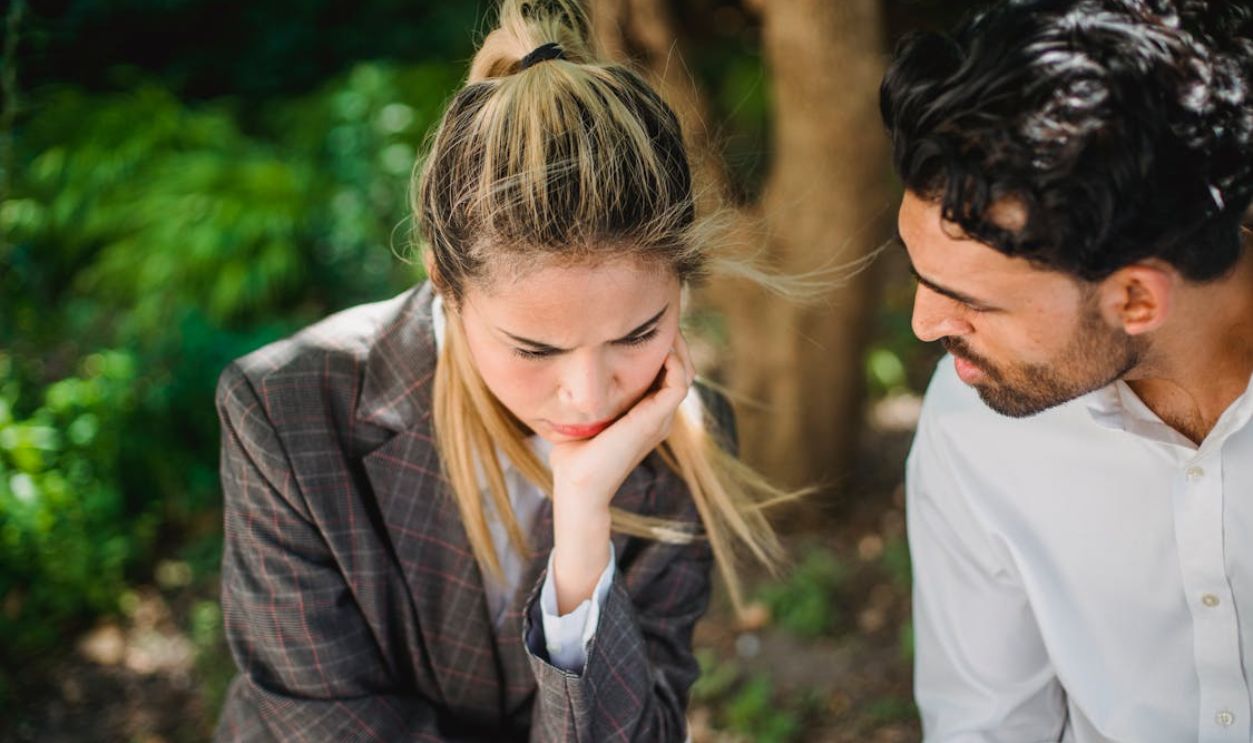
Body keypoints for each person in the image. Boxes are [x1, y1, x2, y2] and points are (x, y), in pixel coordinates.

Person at [212, 0, 795, 739]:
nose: (589, 393)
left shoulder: (683, 442)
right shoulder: (285, 414)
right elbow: (322, 719)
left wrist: (582, 537)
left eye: (639, 332)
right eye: (534, 349)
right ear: (444, 286)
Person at [881, 1, 1253, 741]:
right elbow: (983, 727)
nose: (926, 325)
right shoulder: (971, 423)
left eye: (971, 300)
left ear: (1135, 296)